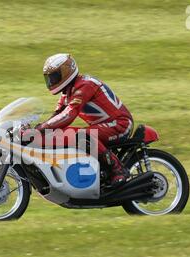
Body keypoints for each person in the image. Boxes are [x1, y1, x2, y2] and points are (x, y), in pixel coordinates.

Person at [33, 53, 134, 186]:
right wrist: (37, 129)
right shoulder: (67, 92)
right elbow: (57, 115)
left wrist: (43, 128)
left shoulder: (85, 85)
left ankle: (118, 170)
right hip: (105, 126)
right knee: (66, 133)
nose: (51, 81)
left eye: (54, 76)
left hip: (120, 125)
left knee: (82, 135)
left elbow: (68, 115)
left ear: (66, 72)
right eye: (49, 78)